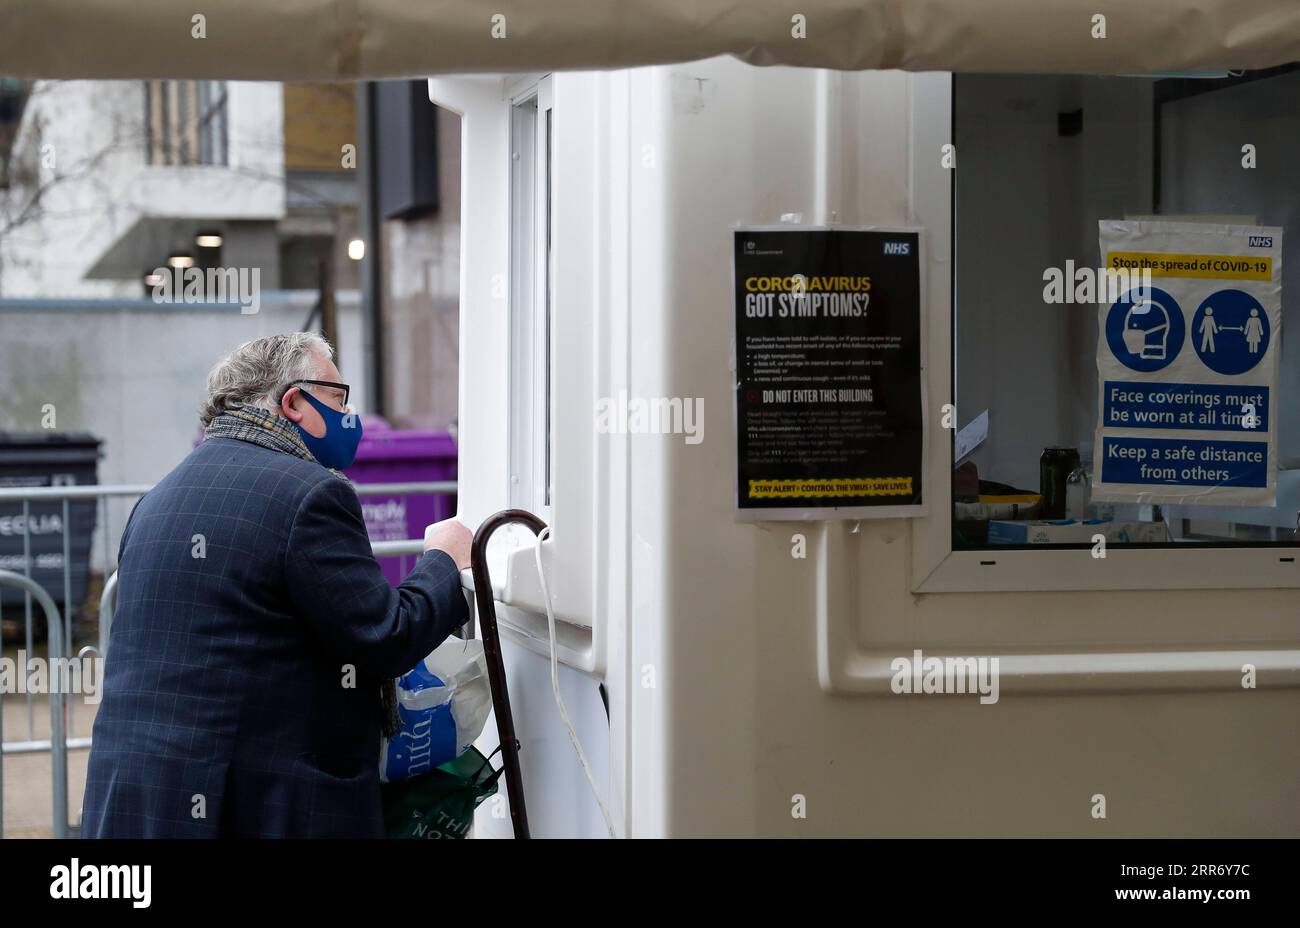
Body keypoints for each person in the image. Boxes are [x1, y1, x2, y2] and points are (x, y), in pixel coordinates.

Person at [82, 333, 472, 838]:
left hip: (138, 797)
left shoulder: (158, 497)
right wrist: (444, 559)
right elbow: (384, 636)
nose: (349, 416)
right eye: (338, 398)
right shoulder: (311, 494)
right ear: (293, 402)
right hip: (252, 804)